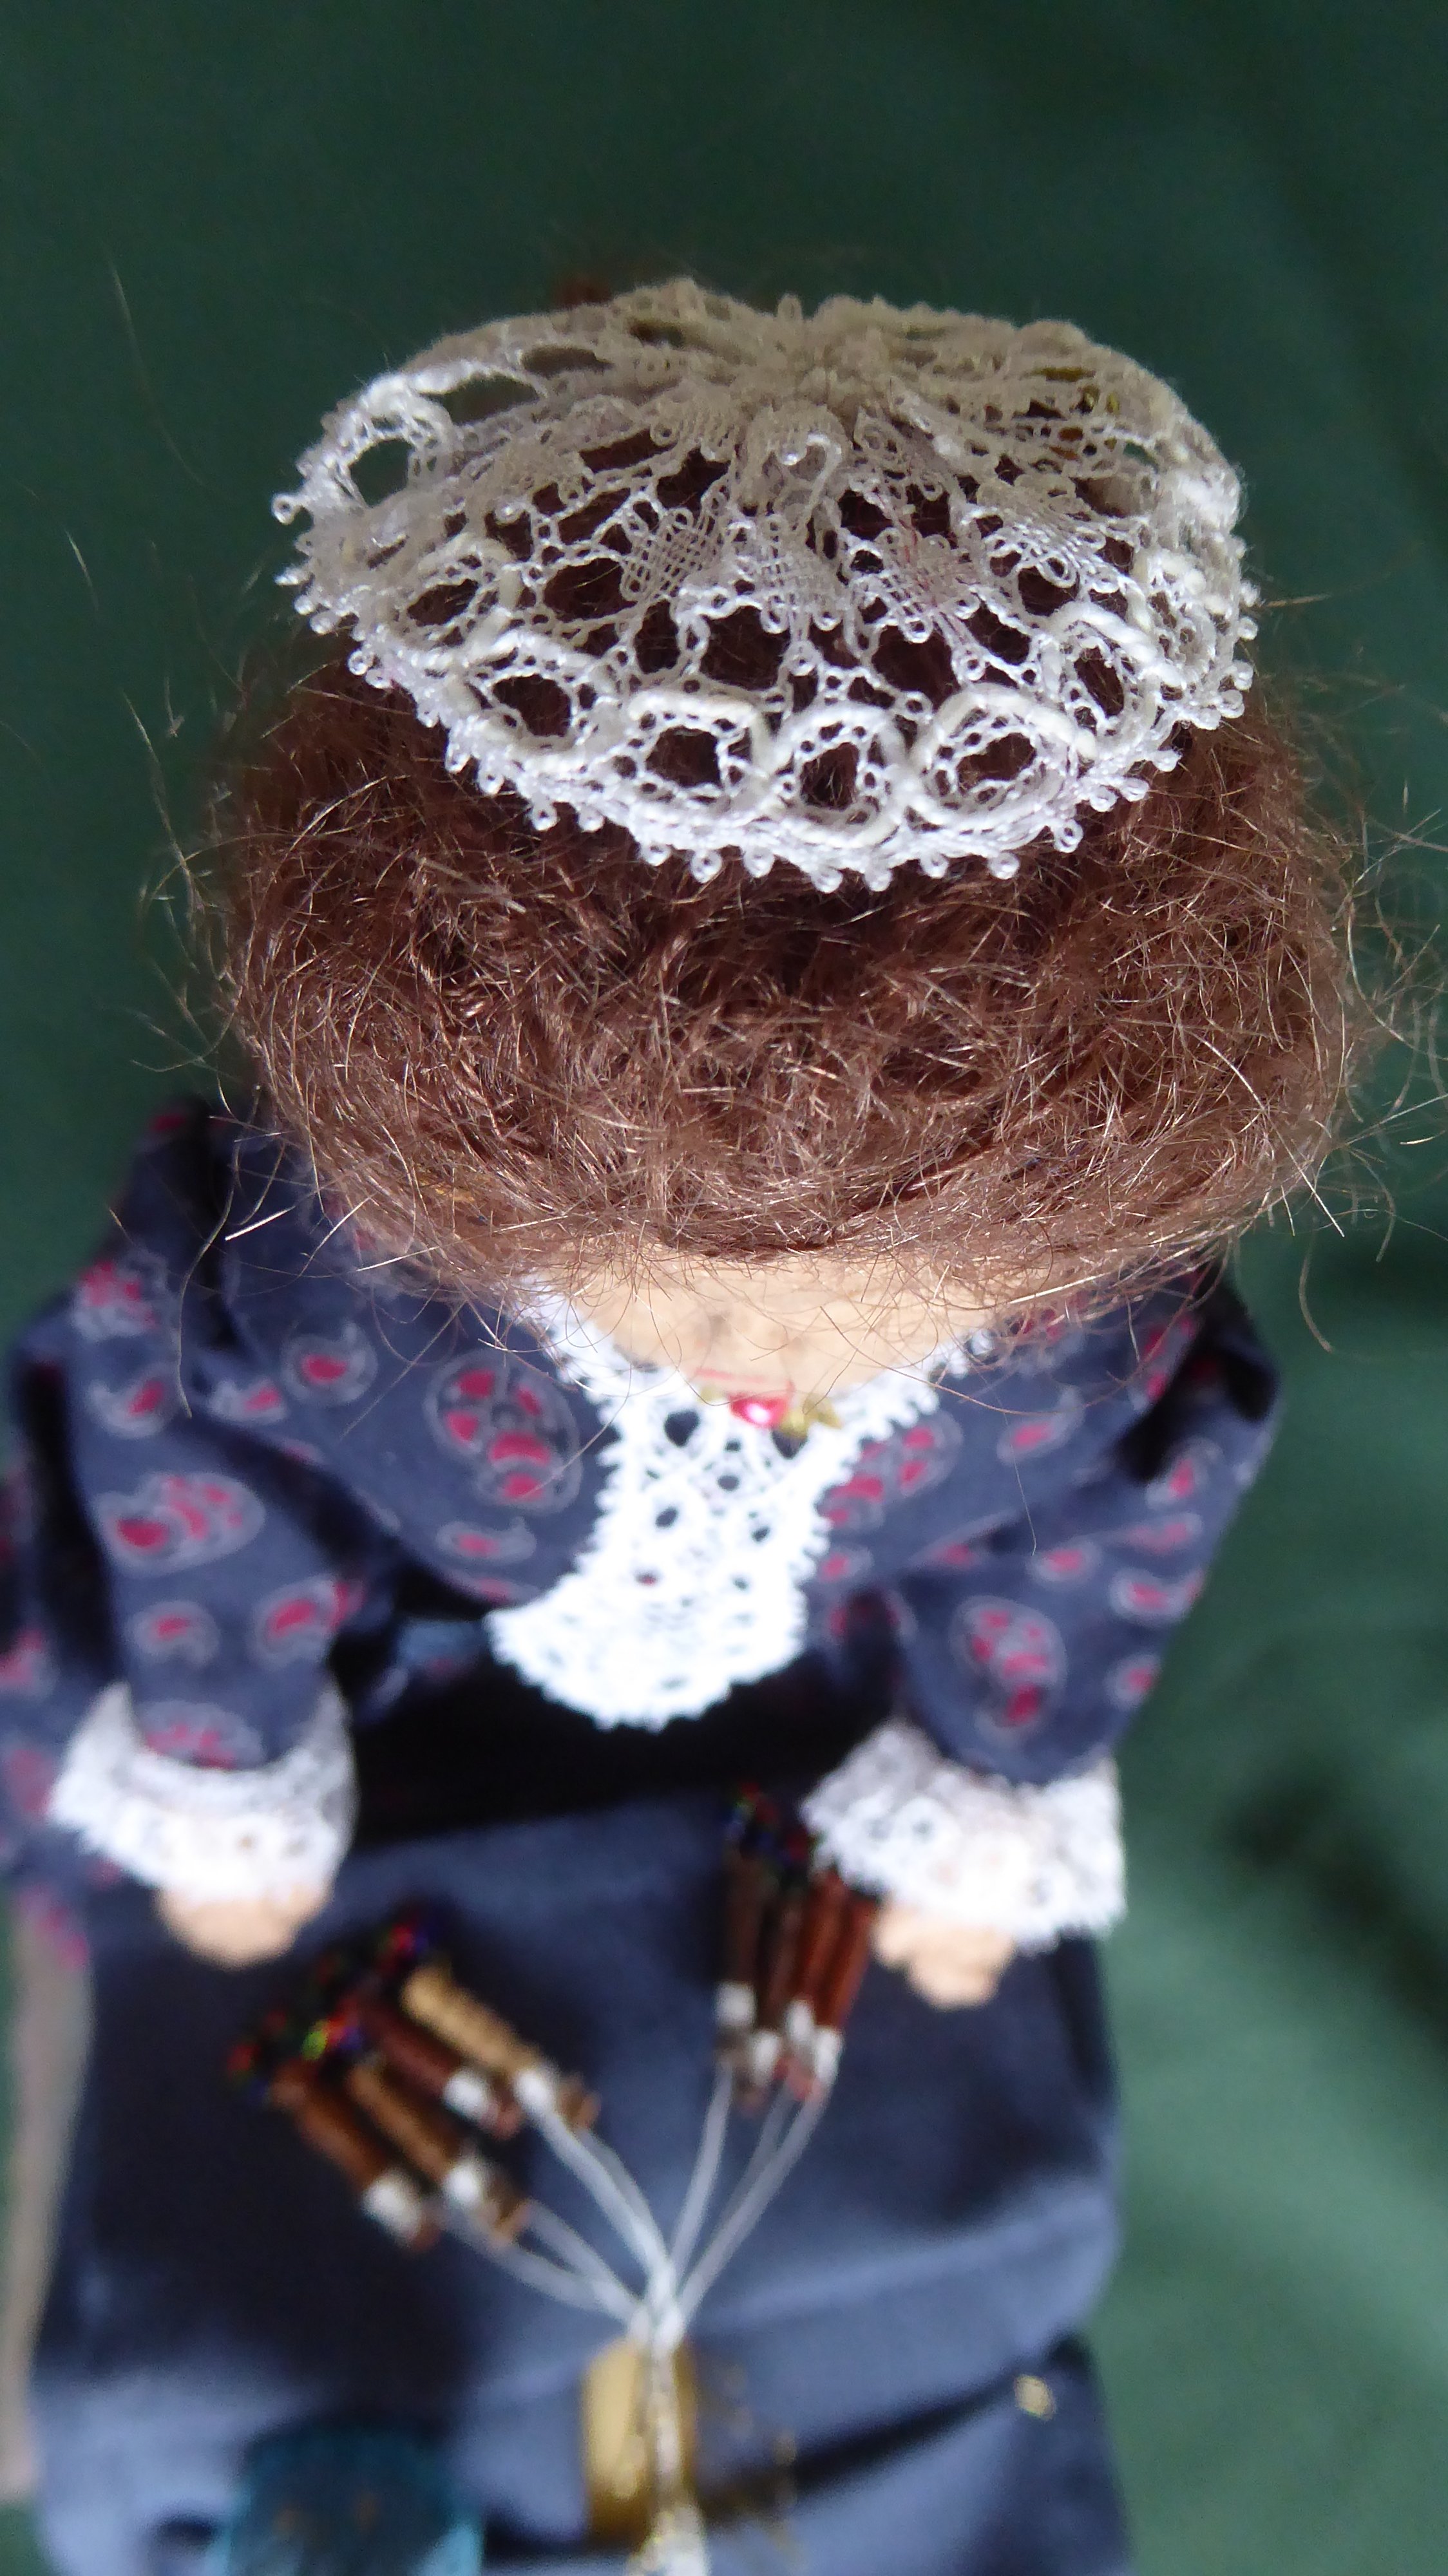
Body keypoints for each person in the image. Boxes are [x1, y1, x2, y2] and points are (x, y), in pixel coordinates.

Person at [3, 281, 1357, 2574]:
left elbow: (1091, 1537)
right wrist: (231, 1751)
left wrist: (988, 1778)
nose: (775, 1372)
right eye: (707, 1297)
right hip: (384, 1661)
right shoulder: (352, 1300)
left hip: (812, 1685)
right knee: (155, 1860)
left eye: (898, 1308)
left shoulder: (1062, 1353)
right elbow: (190, 1455)